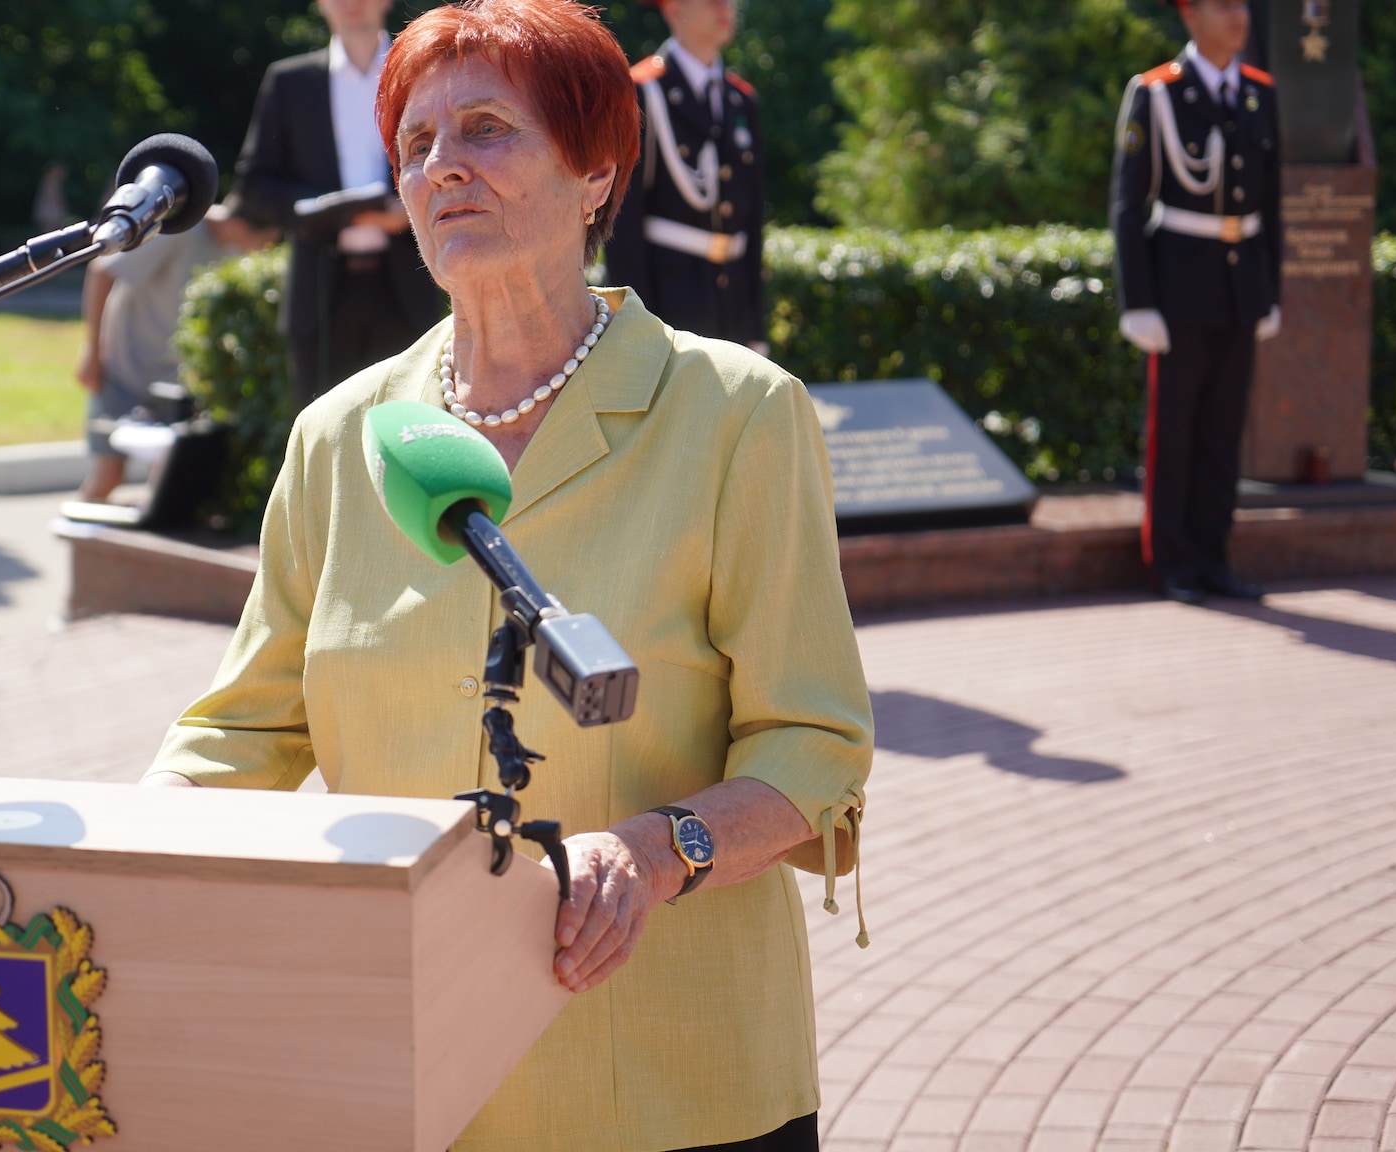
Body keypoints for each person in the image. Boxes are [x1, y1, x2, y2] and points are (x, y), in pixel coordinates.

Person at [145, 2, 873, 1149]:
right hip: (410, 1073)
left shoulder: (736, 415)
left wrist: (653, 851)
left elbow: (814, 743)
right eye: (416, 144)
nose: (443, 166)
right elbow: (244, 729)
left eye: (486, 129)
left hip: (672, 1081)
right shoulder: (340, 437)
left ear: (596, 173)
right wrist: (141, 836)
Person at [1110, 0, 1282, 604]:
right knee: (1175, 432)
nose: (1238, 16)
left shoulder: (1259, 92)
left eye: (1242, 4)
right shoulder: (1156, 92)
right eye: (1222, 4)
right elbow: (1128, 205)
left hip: (1239, 290)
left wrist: (1271, 293)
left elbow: (1272, 205)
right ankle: (1172, 562)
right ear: (1189, 15)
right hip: (1177, 289)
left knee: (1222, 431)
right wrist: (1138, 302)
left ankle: (1214, 557)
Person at [232, 0, 445, 411]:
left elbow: (450, 160)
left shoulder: (422, 73)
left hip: (407, 284)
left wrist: (408, 210)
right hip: (320, 289)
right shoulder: (290, 82)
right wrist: (325, 211)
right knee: (324, 432)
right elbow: (254, 187)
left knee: (412, 428)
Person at [74, 201, 279, 503]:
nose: (264, 251)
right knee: (108, 476)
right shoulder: (180, 229)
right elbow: (102, 271)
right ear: (237, 227)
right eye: (265, 241)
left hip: (174, 381)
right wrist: (93, 351)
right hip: (124, 368)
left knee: (167, 483)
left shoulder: (232, 248)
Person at [603, 0, 767, 354]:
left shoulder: (740, 100)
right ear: (674, 9)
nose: (725, 7)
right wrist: (636, 329)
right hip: (671, 306)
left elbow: (753, 221)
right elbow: (623, 224)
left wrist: (755, 327)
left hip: (733, 308)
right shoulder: (642, 92)